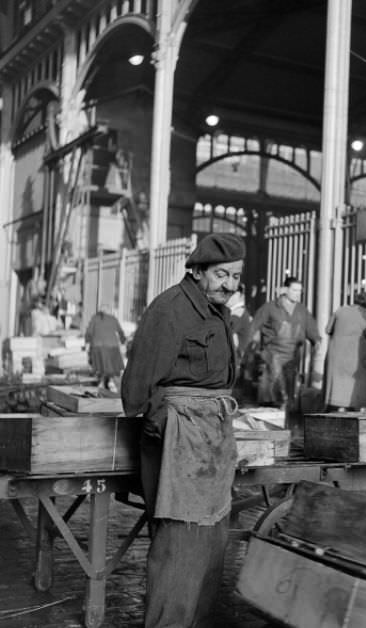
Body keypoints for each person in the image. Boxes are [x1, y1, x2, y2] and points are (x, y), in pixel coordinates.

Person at [121, 232, 245, 628]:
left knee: (210, 542)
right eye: (221, 274)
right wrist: (163, 428)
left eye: (236, 276)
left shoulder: (217, 311)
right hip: (178, 441)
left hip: (212, 440)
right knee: (180, 543)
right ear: (197, 271)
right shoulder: (171, 309)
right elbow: (135, 389)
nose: (229, 284)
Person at [250, 276, 320, 423]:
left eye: (300, 291)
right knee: (272, 394)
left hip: (292, 359)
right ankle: (270, 427)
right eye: (294, 290)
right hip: (272, 356)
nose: (297, 293)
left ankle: (285, 427)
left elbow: (312, 331)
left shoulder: (302, 310)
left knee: (287, 397)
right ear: (285, 290)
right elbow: (253, 328)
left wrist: (317, 343)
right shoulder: (270, 307)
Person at [324, 290, 366, 411]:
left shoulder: (340, 310)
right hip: (354, 361)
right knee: (354, 395)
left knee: (338, 395)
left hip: (335, 360)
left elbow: (328, 330)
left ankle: (339, 412)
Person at [85, 304, 126, 390]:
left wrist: (87, 343)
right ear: (109, 311)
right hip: (112, 347)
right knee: (111, 368)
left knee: (101, 368)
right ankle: (109, 383)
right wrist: (123, 342)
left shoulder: (95, 318)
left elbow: (89, 332)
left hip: (98, 347)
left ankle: (103, 383)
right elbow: (120, 332)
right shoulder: (113, 319)